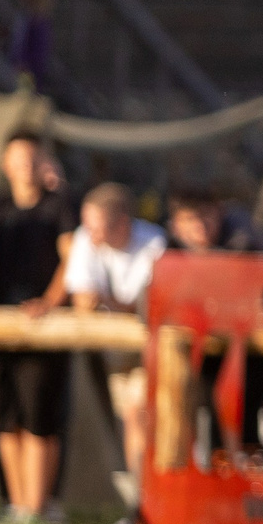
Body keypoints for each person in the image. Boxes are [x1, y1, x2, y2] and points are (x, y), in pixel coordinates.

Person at [0, 132, 76, 524]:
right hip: (2, 327)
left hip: (44, 328)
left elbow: (72, 257)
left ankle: (39, 506)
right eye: (18, 159)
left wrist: (49, 301)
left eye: (33, 158)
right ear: (5, 164)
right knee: (8, 417)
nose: (26, 166)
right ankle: (17, 506)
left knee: (39, 418)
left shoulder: (58, 205)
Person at [65, 183, 168, 501]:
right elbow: (82, 298)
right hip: (111, 353)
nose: (92, 235)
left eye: (99, 227)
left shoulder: (152, 242)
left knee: (141, 417)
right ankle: (139, 500)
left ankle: (150, 496)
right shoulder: (86, 237)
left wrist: (105, 300)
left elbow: (143, 304)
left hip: (148, 351)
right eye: (89, 226)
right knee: (129, 420)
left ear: (123, 223)